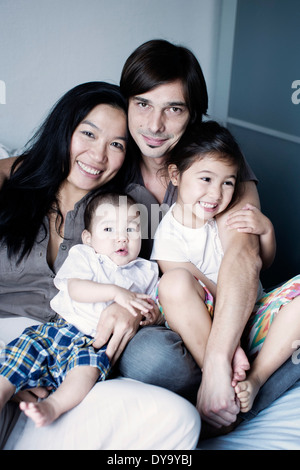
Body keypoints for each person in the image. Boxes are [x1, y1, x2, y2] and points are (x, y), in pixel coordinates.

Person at [151, 121, 300, 417]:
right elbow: (201, 291)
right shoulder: (168, 235)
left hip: (253, 315)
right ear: (175, 175)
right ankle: (215, 372)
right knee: (174, 284)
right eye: (205, 179)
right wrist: (229, 345)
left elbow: (263, 264)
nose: (216, 194)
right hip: (208, 326)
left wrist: (266, 230)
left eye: (228, 182)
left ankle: (255, 379)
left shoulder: (228, 216)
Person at [0, 192, 160, 428]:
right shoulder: (86, 256)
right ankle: (3, 393)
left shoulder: (146, 271)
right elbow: (76, 289)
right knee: (23, 352)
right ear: (88, 237)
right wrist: (115, 292)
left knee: (87, 372)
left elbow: (153, 304)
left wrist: (154, 316)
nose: (121, 239)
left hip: (95, 344)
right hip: (60, 330)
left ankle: (52, 406)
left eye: (131, 230)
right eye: (108, 230)